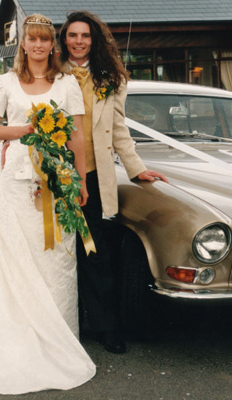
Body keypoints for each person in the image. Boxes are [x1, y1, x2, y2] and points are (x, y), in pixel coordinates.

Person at [0, 14, 95, 394]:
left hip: (57, 183)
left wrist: (82, 179)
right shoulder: (5, 82)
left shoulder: (66, 82)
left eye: (45, 40)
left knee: (56, 259)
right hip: (16, 182)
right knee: (13, 259)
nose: (39, 46)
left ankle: (56, 342)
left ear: (52, 46)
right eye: (33, 40)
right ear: (22, 45)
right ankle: (13, 341)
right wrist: (22, 131)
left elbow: (76, 133)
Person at [59, 10, 167, 354]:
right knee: (54, 253)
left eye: (85, 36)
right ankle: (59, 327)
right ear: (64, 39)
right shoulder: (51, 73)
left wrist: (136, 169)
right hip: (51, 175)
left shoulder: (112, 79)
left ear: (95, 40)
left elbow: (119, 129)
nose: (78, 42)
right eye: (72, 35)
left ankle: (106, 328)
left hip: (91, 177)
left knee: (95, 254)